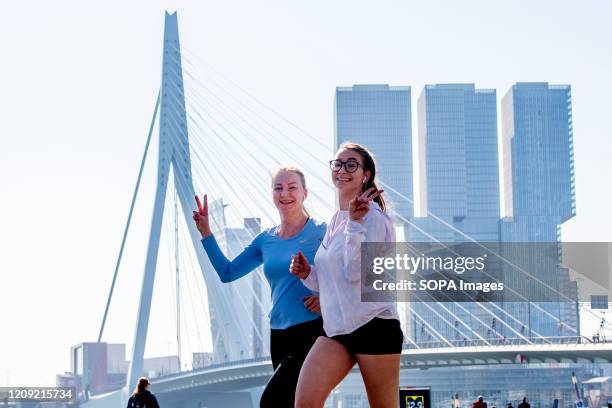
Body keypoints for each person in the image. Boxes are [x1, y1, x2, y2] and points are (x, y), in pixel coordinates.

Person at [192, 167, 326, 408]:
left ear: (305, 193)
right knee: (294, 404)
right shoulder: (265, 240)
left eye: (292, 187)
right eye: (278, 188)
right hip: (278, 334)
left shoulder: (322, 232)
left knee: (271, 402)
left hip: (313, 331)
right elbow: (228, 272)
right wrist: (206, 233)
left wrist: (327, 300)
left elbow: (347, 276)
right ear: (272, 194)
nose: (285, 193)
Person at [291, 142, 403, 408]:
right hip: (338, 328)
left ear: (366, 175)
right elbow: (335, 280)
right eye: (338, 164)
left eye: (351, 164)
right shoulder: (336, 220)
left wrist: (355, 224)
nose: (342, 169)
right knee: (305, 403)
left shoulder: (374, 219)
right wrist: (308, 274)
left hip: (374, 325)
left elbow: (356, 275)